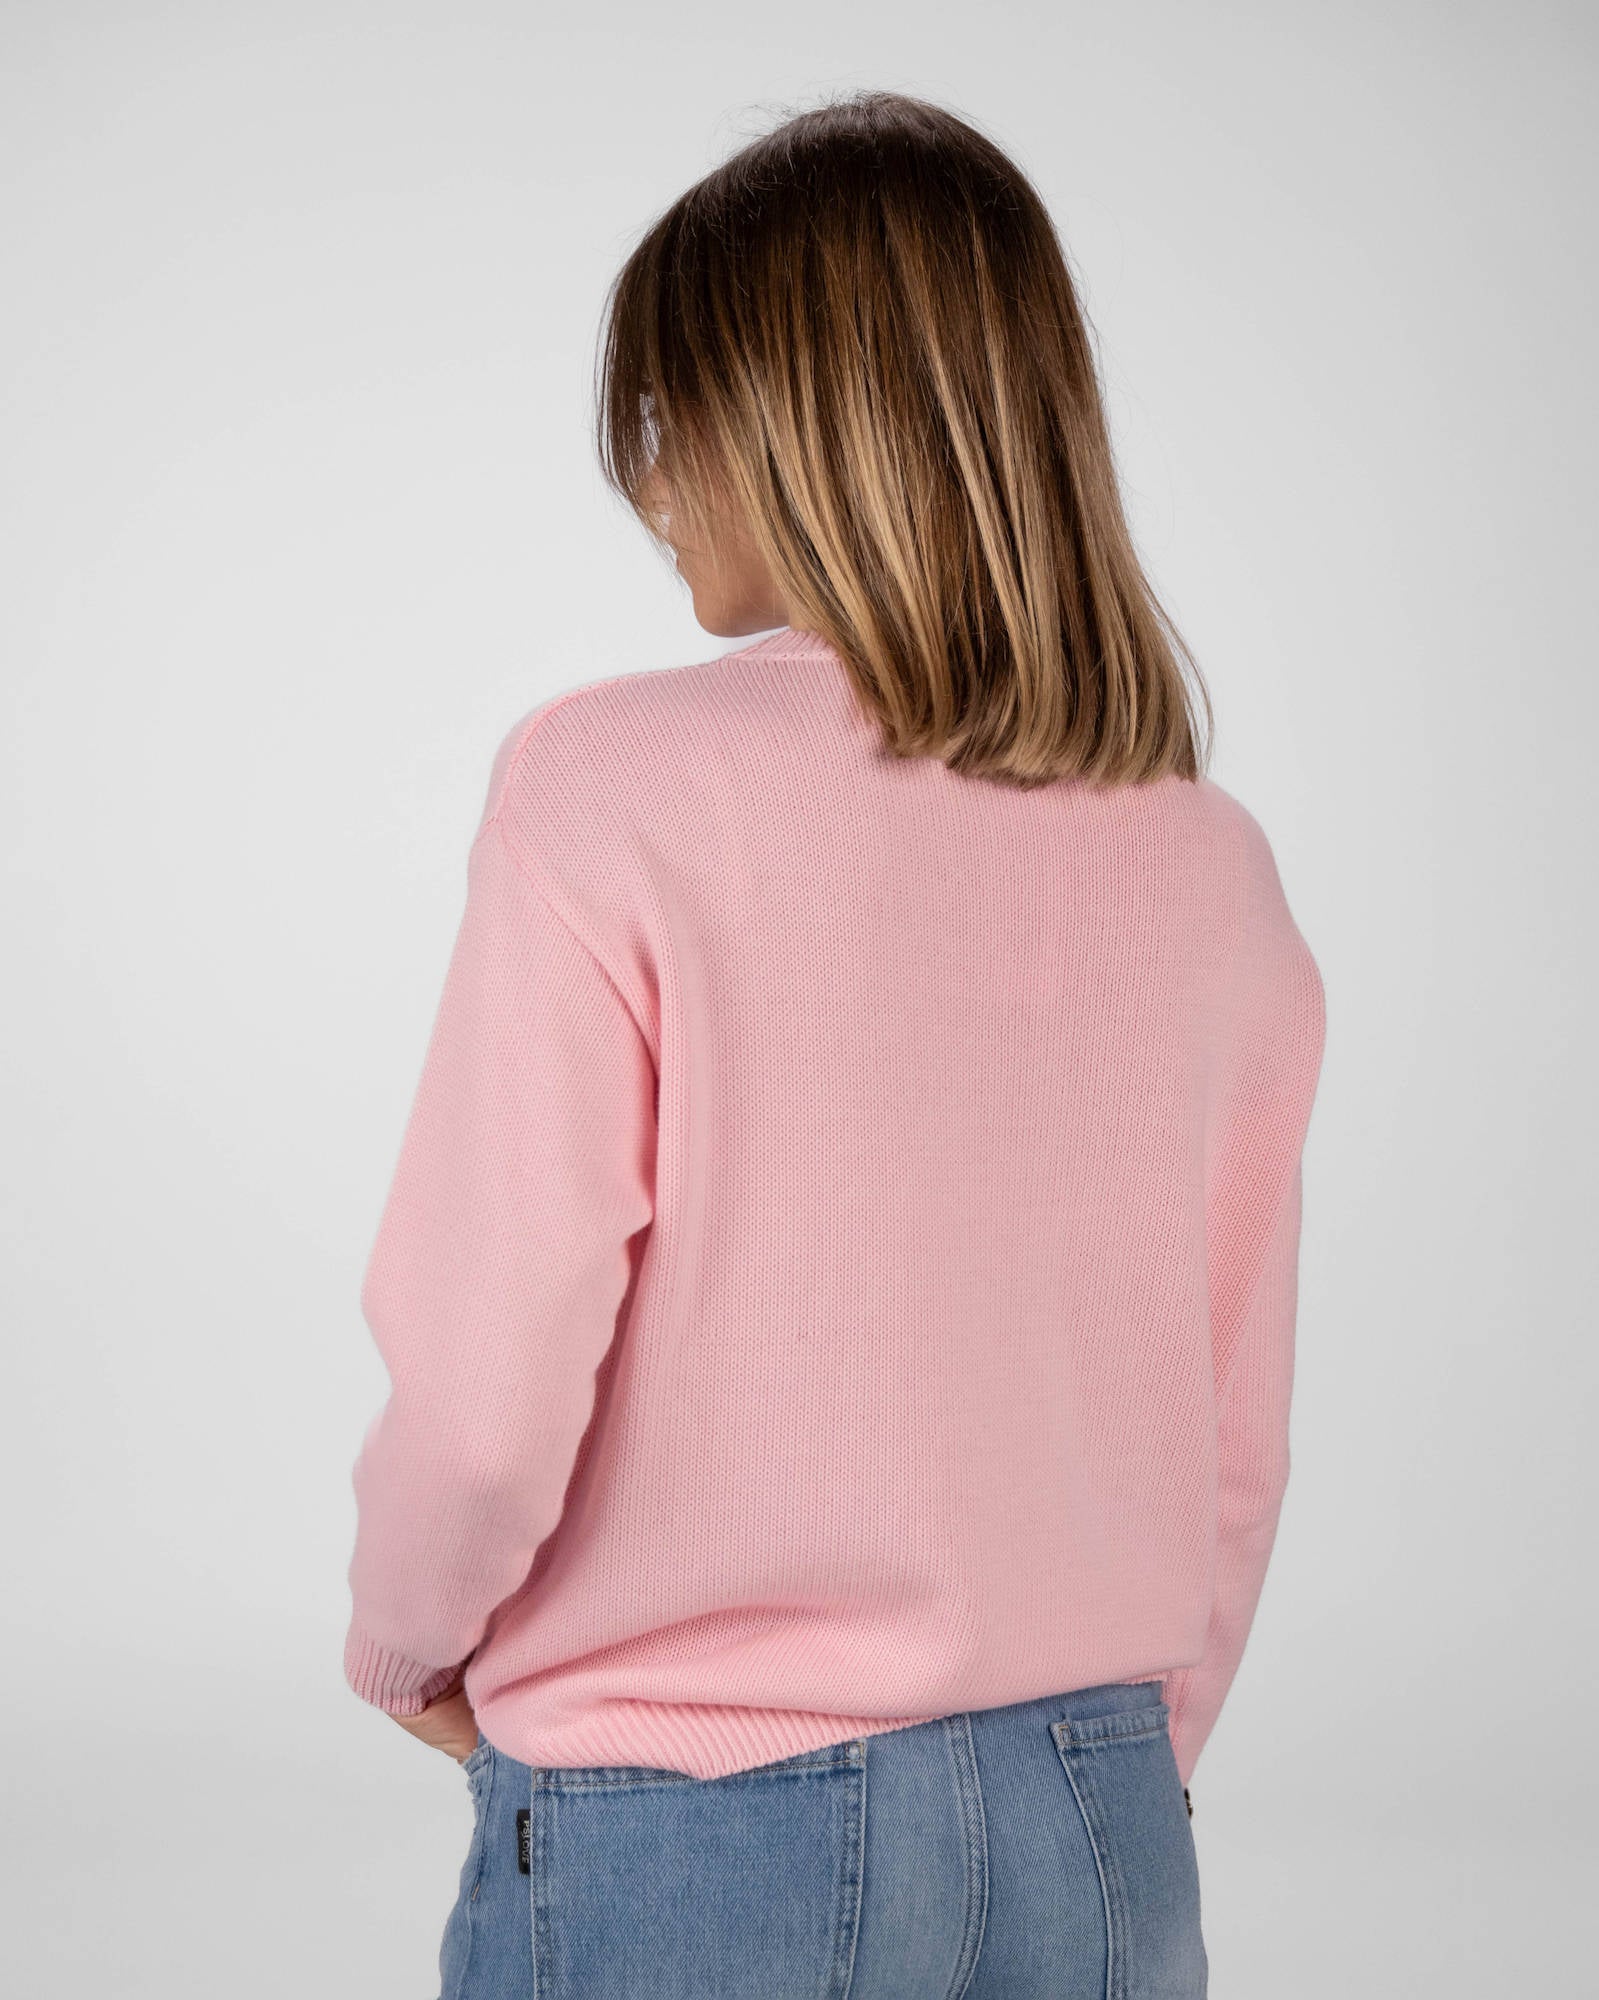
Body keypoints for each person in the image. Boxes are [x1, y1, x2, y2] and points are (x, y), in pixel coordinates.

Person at [342, 87, 1326, 2000]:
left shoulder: (609, 786)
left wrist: (409, 1642)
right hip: (1098, 1817)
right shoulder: (1211, 863)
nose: (644, 479)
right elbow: (1232, 1433)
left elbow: (489, 1362)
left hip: (695, 1821)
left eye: (666, 412)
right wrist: (1125, 1755)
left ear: (789, 417)